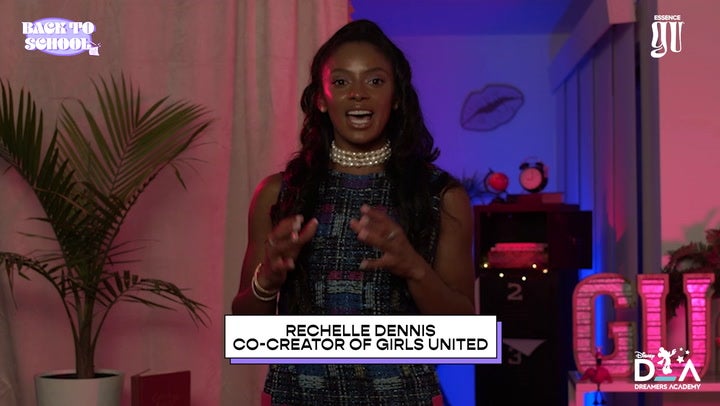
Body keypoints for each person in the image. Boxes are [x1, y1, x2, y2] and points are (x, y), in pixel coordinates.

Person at [231, 19, 475, 405]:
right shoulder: (279, 194)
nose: (358, 94)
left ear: (397, 97)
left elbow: (463, 335)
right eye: (341, 81)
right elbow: (246, 336)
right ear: (321, 99)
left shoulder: (441, 196)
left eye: (375, 81)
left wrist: (414, 268)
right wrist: (269, 278)